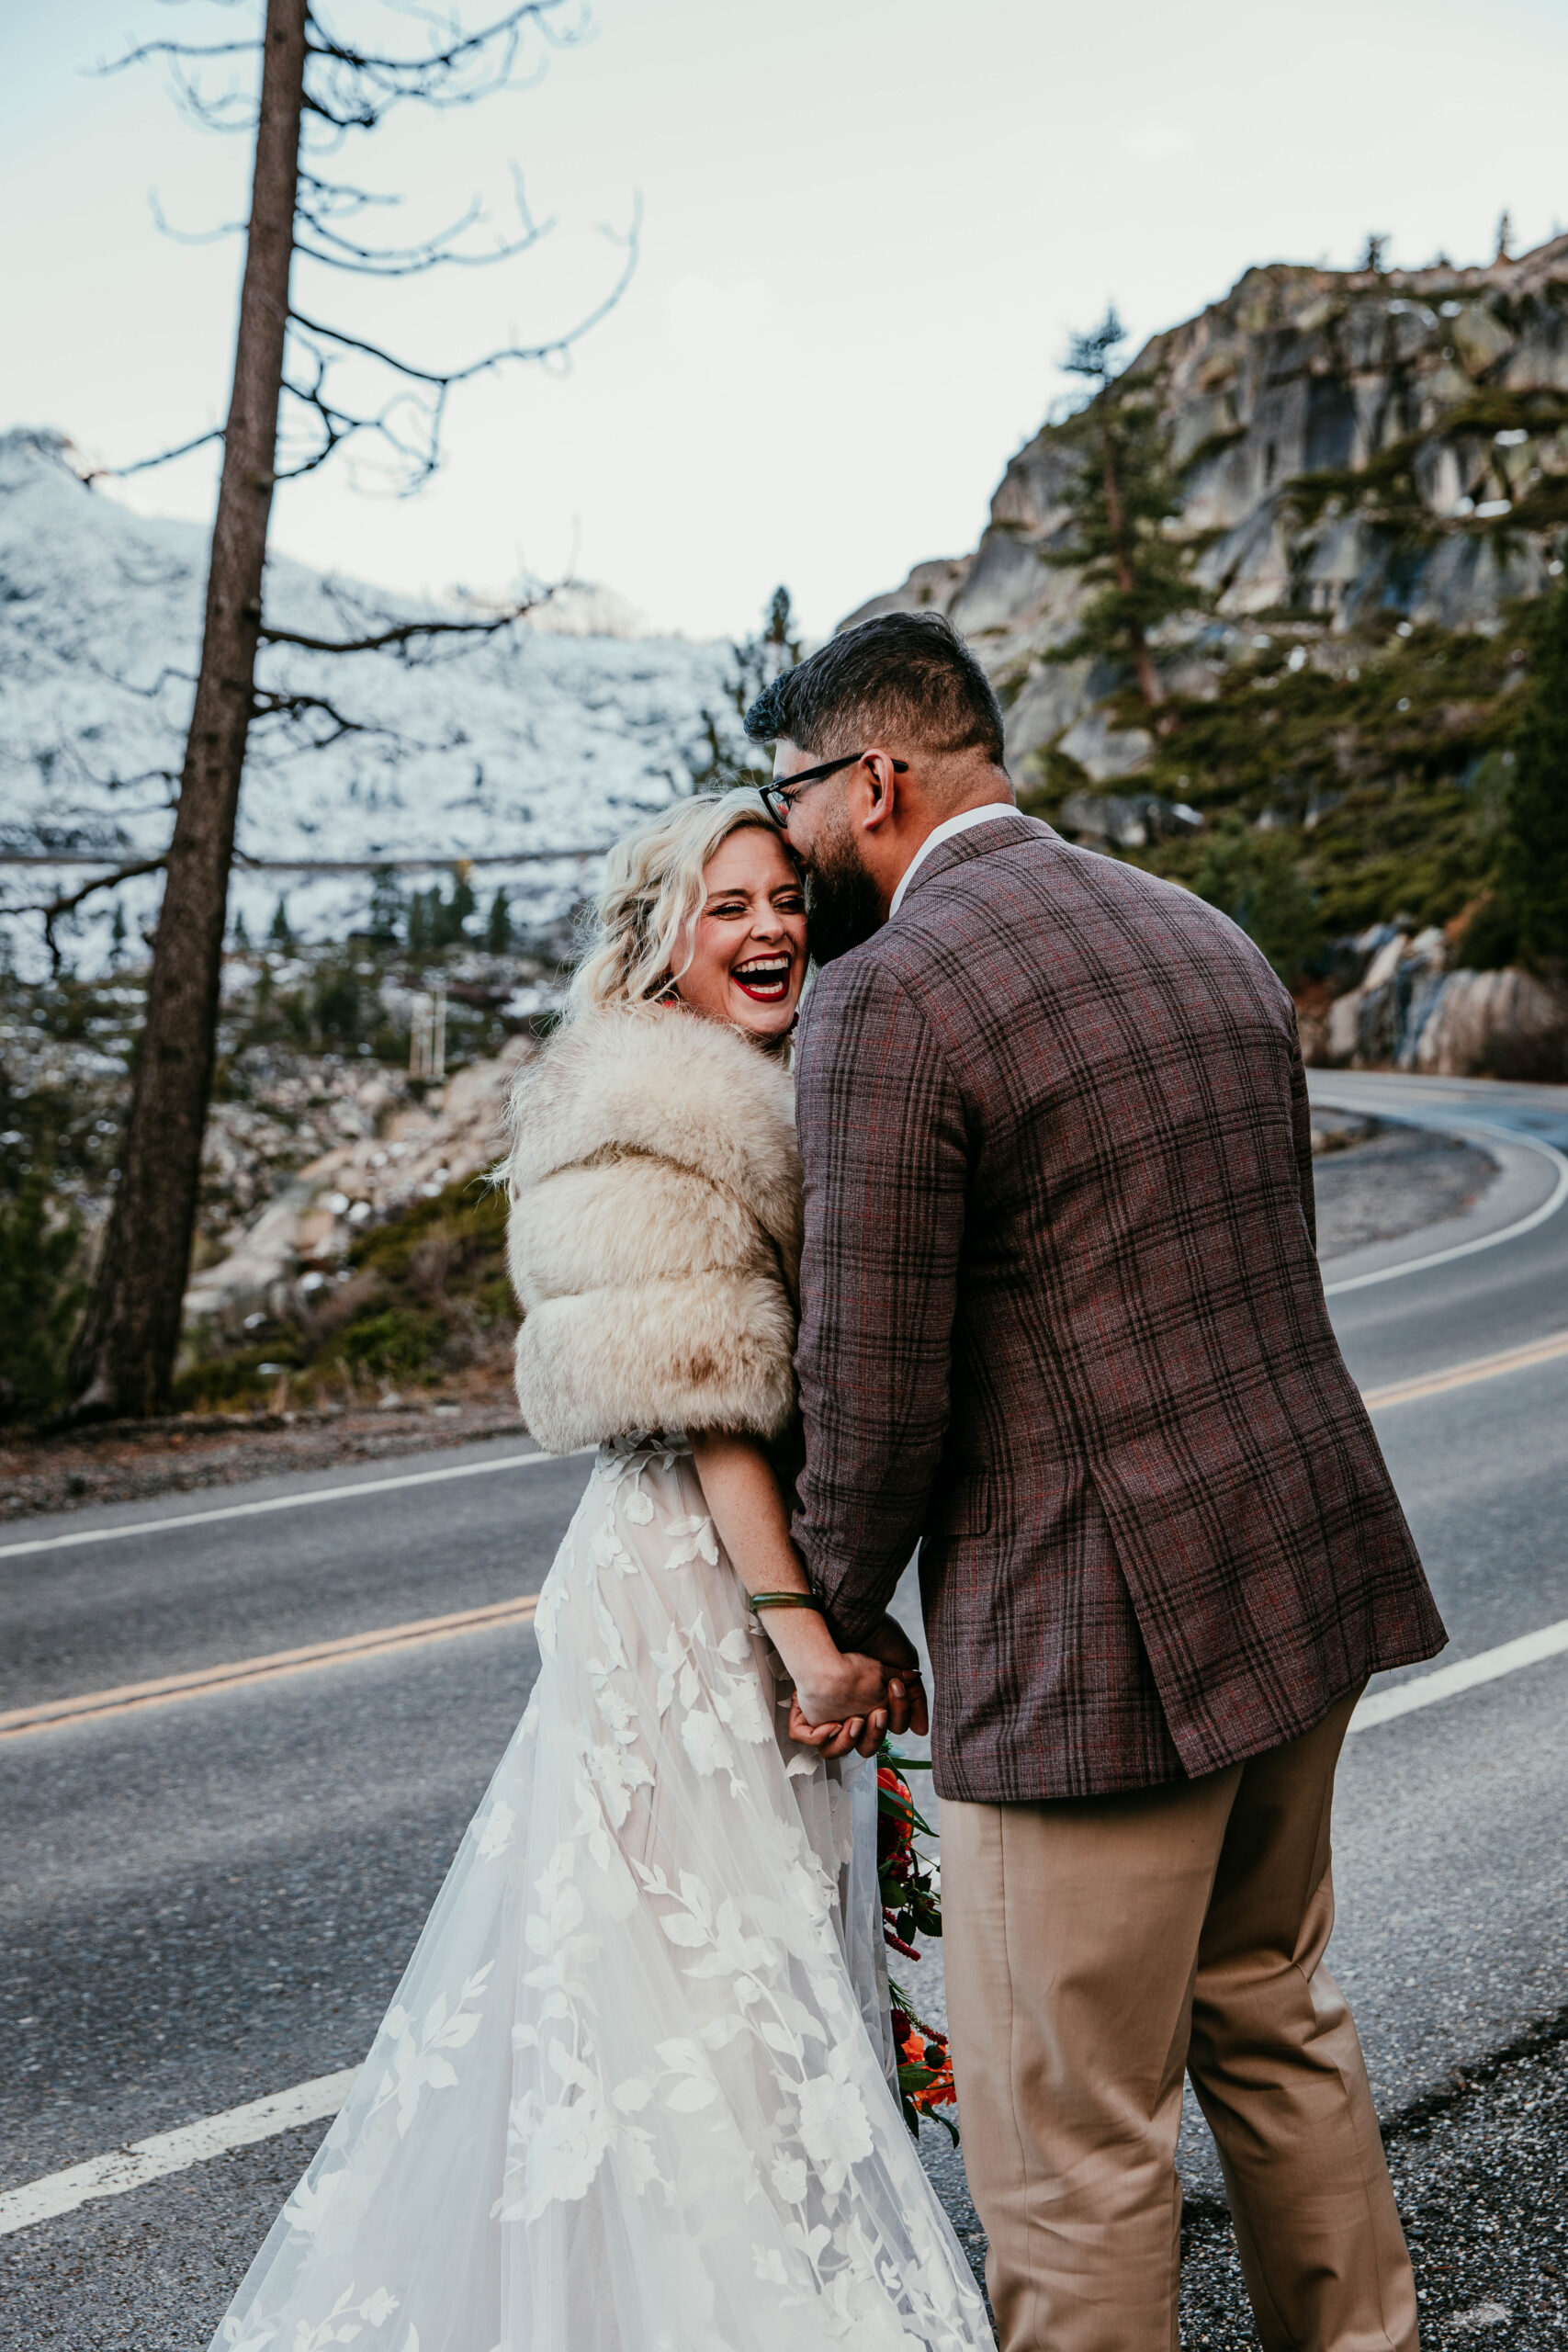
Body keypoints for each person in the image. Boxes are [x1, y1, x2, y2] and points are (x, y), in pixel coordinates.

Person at [209, 790, 992, 2352]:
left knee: (736, 1981)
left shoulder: (774, 1084)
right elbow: (706, 1406)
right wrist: (808, 1641)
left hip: (725, 1573)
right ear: (659, 949)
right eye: (729, 907)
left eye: (786, 898)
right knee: (697, 1993)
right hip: (686, 1593)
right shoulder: (651, 1100)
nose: (771, 928)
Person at [747, 610, 1448, 2352]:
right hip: (1307, 1572)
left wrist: (821, 1614)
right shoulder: (1202, 932)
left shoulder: (895, 992)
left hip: (1096, 1645)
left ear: (878, 780)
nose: (788, 841)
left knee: (1067, 2144)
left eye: (793, 798)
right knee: (1274, 2018)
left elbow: (877, 1378)